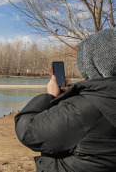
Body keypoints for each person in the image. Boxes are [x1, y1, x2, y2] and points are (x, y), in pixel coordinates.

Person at [14, 28, 116, 172]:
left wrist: (49, 97)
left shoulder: (85, 108)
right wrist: (75, 94)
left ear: (91, 65)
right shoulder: (103, 99)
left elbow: (29, 132)